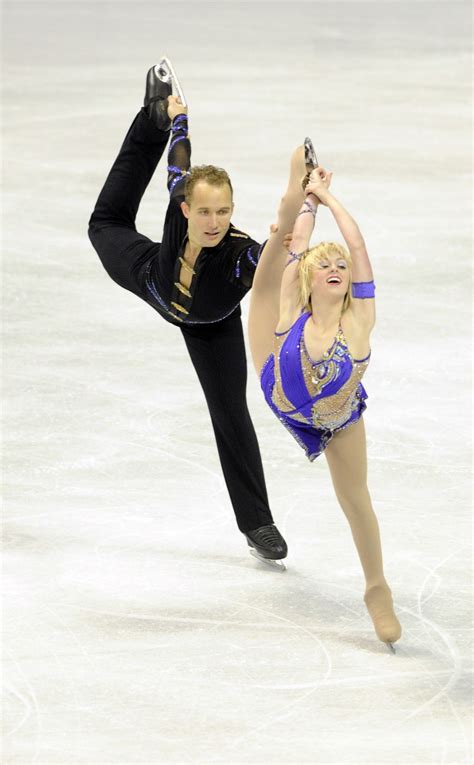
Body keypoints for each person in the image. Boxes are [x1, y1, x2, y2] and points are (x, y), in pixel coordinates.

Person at [88, 60, 303, 565]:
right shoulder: (178, 200)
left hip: (211, 326)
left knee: (231, 413)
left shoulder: (239, 255)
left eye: (223, 212)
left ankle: (258, 523)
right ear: (185, 208)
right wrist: (175, 116)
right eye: (204, 211)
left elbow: (274, 262)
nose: (214, 221)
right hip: (151, 278)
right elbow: (179, 161)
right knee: (105, 223)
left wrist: (298, 211)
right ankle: (150, 115)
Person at [247, 149, 402, 649]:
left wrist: (330, 197)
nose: (336, 267)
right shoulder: (293, 305)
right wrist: (307, 200)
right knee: (270, 268)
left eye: (342, 266)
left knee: (355, 500)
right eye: (325, 264)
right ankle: (291, 186)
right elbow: (300, 247)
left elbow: (356, 249)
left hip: (337, 420)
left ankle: (376, 588)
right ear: (311, 277)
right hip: (278, 383)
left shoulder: (360, 320)